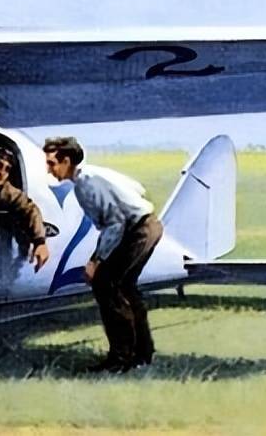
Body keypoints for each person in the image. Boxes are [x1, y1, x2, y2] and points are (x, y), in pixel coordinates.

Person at [44, 136, 161, 373]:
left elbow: (115, 224)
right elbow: (138, 189)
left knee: (105, 284)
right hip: (147, 225)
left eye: (52, 163)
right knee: (125, 287)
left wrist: (96, 260)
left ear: (66, 161)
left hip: (137, 230)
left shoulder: (85, 184)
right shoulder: (94, 174)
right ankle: (141, 354)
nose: (49, 170)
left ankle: (121, 358)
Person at [0, 147, 50, 272]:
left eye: (7, 169)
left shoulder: (8, 192)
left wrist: (40, 242)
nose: (2, 173)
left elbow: (30, 209)